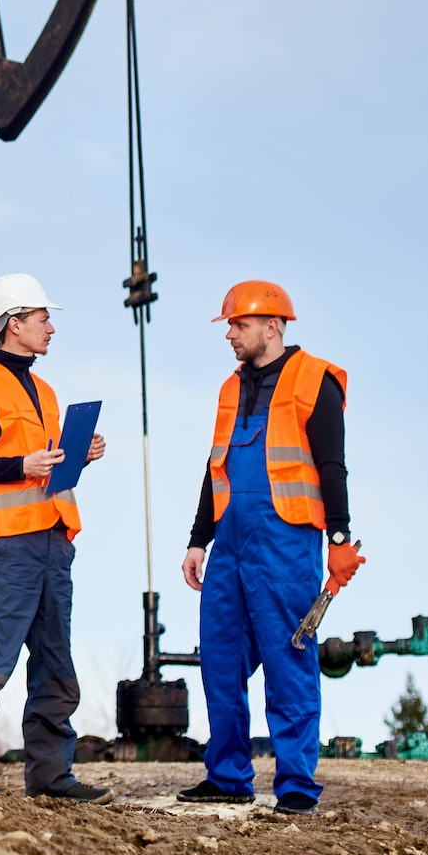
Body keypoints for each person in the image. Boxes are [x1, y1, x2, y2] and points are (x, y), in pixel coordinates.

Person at [177, 281, 364, 814]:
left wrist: (340, 537)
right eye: (230, 326)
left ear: (273, 326)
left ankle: (297, 787)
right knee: (219, 659)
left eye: (238, 325)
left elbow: (332, 464)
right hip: (230, 544)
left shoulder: (316, 379)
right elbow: (214, 469)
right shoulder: (229, 390)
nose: (231, 334)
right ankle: (229, 775)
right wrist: (197, 540)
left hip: (285, 543)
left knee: (287, 660)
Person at [0, 273, 110, 800]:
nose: (51, 328)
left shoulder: (46, 390)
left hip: (55, 542)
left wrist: (75, 455)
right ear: (14, 324)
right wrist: (21, 464)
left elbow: (45, 466)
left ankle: (51, 777)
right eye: (42, 319)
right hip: (9, 545)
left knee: (56, 665)